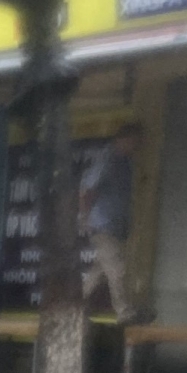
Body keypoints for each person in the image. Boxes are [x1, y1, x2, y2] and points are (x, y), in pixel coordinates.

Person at [80, 125, 143, 323]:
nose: (137, 146)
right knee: (117, 269)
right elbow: (87, 190)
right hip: (102, 226)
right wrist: (85, 218)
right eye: (135, 141)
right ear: (122, 139)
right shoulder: (107, 160)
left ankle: (74, 308)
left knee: (97, 274)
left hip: (114, 227)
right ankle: (125, 312)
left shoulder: (125, 162)